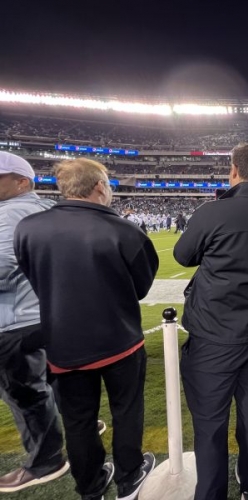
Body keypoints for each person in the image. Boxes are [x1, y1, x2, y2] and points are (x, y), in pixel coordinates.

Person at [14, 158, 159, 500]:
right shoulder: (124, 230)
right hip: (119, 339)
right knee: (126, 412)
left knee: (78, 420)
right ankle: (129, 477)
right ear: (99, 187)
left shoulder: (29, 228)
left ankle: (90, 486)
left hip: (63, 342)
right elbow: (141, 287)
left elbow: (35, 278)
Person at [174, 144, 248, 500]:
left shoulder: (214, 212)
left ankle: (212, 494)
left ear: (234, 171)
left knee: (210, 421)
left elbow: (183, 255)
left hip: (215, 334)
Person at [0, 152, 68, 493]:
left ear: (21, 181)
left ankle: (46, 461)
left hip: (14, 317)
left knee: (25, 393)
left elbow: (1, 268)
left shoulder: (9, 213)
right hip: (47, 313)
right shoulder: (48, 209)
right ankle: (77, 425)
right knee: (49, 381)